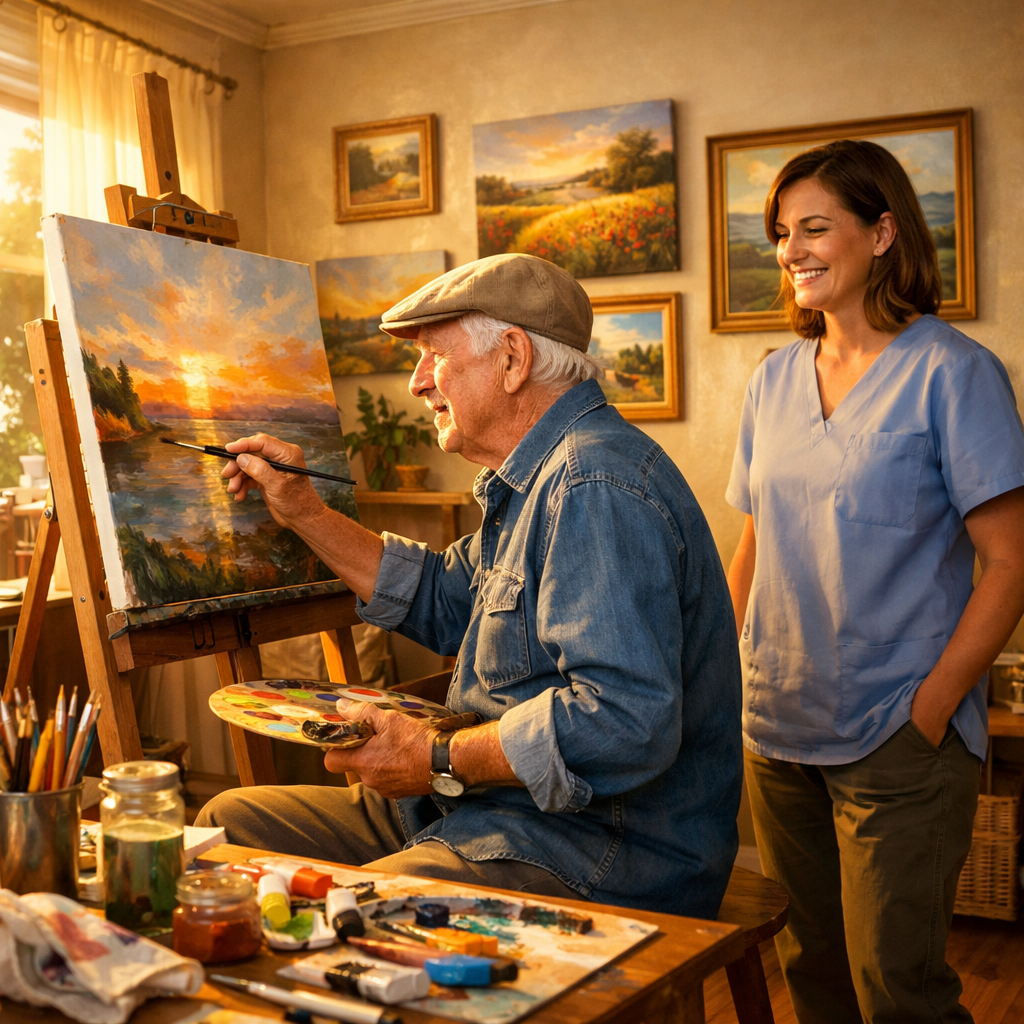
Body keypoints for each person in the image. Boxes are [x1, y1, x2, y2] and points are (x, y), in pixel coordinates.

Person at [198, 254, 743, 918]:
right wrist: (305, 511)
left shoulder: (592, 484)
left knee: (368, 909)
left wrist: (434, 755)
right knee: (227, 828)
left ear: (513, 359)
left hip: (599, 847)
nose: (418, 383)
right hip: (486, 809)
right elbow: (443, 596)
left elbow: (624, 723)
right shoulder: (537, 479)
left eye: (434, 356)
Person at [725, 139, 1024, 1024]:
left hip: (898, 740)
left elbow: (1011, 564)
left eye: (816, 227)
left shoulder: (954, 373)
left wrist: (931, 707)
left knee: (899, 992)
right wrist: (720, 672)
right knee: (810, 974)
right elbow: (754, 545)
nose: (793, 250)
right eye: (783, 232)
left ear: (883, 231)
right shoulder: (773, 380)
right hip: (776, 728)